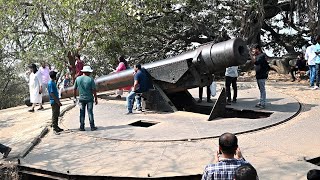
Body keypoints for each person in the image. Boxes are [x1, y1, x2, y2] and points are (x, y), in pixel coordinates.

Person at [73, 65, 98, 131]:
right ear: (87, 72)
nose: (90, 73)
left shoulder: (78, 79)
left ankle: (82, 127)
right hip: (89, 99)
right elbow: (94, 90)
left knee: (82, 113)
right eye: (89, 72)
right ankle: (92, 126)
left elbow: (74, 89)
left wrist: (74, 97)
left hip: (81, 99)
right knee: (90, 112)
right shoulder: (90, 79)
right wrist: (96, 98)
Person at [251, 44, 269, 109]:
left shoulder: (261, 56)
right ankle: (261, 102)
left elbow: (256, 62)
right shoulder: (258, 56)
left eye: (254, 49)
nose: (253, 50)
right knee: (261, 90)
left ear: (257, 49)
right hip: (259, 75)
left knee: (262, 90)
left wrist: (252, 56)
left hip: (262, 75)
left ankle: (263, 104)